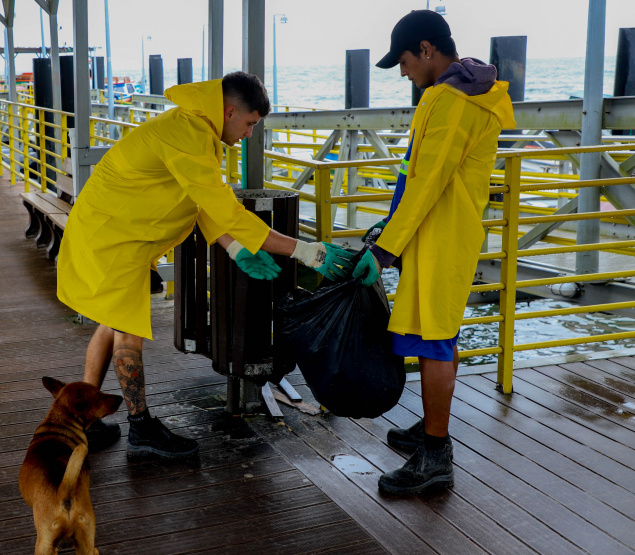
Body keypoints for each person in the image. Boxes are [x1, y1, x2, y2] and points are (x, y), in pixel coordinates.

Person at [56, 71, 354, 458]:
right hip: (115, 241)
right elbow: (228, 211)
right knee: (127, 333)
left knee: (112, 323)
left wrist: (236, 249)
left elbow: (203, 204)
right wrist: (308, 252)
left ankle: (84, 418)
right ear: (229, 112)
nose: (249, 134)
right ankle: (141, 428)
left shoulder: (194, 129)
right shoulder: (190, 135)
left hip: (110, 231)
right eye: (249, 123)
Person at [352, 10, 515, 495]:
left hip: (439, 236)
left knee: (433, 340)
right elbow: (419, 175)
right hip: (441, 233)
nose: (403, 73)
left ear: (426, 49)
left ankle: (436, 454)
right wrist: (391, 228)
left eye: (404, 62)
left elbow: (426, 183)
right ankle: (431, 426)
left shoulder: (449, 101)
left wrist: (384, 250)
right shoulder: (463, 94)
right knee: (438, 333)